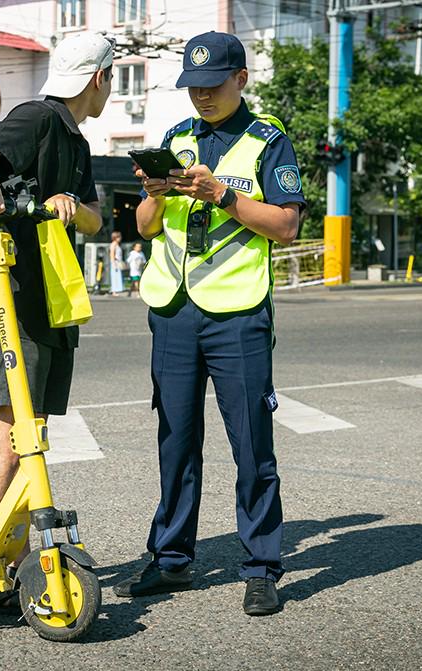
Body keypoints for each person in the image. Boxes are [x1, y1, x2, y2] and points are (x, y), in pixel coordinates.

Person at [114, 31, 304, 617]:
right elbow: (147, 227)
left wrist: (222, 195)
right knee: (175, 440)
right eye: (193, 87)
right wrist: (152, 192)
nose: (201, 97)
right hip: (172, 310)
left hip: (237, 314)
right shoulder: (175, 139)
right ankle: (171, 559)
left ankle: (262, 566)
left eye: (213, 85)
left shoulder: (268, 141)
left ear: (240, 79)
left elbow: (287, 226)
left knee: (251, 443)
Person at [0, 31, 111, 603]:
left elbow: (95, 219)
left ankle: (13, 559)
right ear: (100, 79)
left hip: (50, 308)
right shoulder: (41, 120)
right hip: (9, 306)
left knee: (32, 439)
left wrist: (75, 210)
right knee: (9, 439)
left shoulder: (78, 144)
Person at [109, 230, 126, 295]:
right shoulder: (113, 244)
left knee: (117, 275)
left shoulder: (117, 244)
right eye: (119, 237)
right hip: (115, 261)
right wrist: (113, 263)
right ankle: (114, 291)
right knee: (114, 276)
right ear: (115, 237)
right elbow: (112, 254)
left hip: (118, 261)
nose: (120, 238)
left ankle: (117, 289)